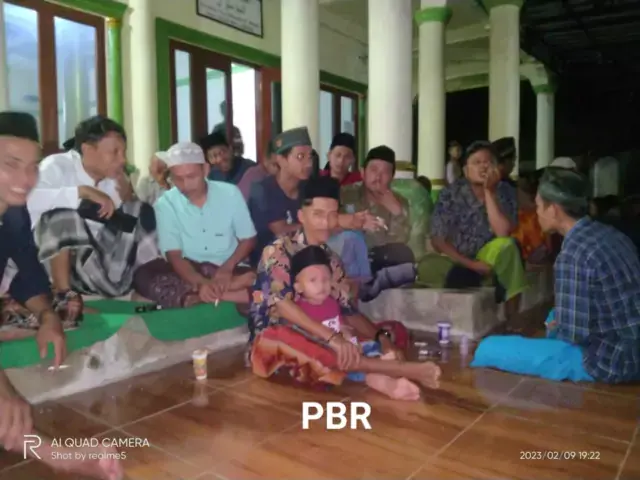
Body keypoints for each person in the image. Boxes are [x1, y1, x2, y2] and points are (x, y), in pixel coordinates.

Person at [0, 111, 122, 479]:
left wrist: (48, 316)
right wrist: (4, 392)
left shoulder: (14, 214)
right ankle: (54, 454)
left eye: (32, 167)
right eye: (10, 165)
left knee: (63, 312)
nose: (25, 180)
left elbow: (27, 274)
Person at [249, 176, 441, 390]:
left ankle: (373, 369)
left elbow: (348, 310)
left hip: (327, 331)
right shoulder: (278, 251)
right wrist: (333, 338)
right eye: (318, 214)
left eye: (332, 215)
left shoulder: (332, 261)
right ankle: (398, 369)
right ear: (302, 216)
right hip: (278, 339)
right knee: (309, 346)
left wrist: (383, 340)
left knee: (393, 330)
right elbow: (283, 306)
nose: (326, 223)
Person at [472, 168, 640, 384]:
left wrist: (557, 327)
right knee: (554, 314)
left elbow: (573, 335)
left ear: (553, 210)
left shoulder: (573, 253)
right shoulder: (611, 234)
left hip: (606, 362)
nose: (537, 212)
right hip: (632, 351)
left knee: (489, 348)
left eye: (539, 206)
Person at [26, 115, 160, 321]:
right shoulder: (57, 166)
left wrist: (129, 197)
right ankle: (64, 297)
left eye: (123, 152)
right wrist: (83, 192)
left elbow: (123, 231)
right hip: (51, 264)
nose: (122, 160)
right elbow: (27, 200)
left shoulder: (113, 180)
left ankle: (146, 281)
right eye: (114, 152)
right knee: (62, 215)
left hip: (98, 269)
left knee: (139, 209)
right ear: (88, 149)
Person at [134, 142, 256, 308]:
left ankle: (197, 296)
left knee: (269, 282)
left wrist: (227, 268)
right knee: (143, 275)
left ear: (205, 170)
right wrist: (200, 283)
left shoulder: (230, 193)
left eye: (191, 177)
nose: (185, 185)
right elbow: (174, 255)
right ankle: (226, 291)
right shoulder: (165, 204)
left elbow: (248, 239)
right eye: (178, 178)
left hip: (228, 267)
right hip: (189, 270)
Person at [290, 245, 420, 400]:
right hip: (326, 354)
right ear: (298, 287)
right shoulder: (300, 311)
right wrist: (341, 344)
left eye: (326, 279)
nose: (321, 285)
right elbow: (307, 339)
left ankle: (387, 366)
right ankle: (387, 383)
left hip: (346, 349)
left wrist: (349, 337)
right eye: (313, 280)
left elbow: (341, 325)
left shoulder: (332, 303)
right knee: (353, 364)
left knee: (373, 345)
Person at [429, 141, 526, 320]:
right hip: (457, 257)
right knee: (457, 277)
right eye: (477, 162)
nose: (483, 167)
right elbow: (438, 240)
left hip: (491, 256)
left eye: (488, 162)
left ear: (496, 168)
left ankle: (513, 319)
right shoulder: (450, 194)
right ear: (466, 170)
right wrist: (472, 265)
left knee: (511, 247)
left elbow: (503, 233)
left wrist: (490, 192)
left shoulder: (505, 191)